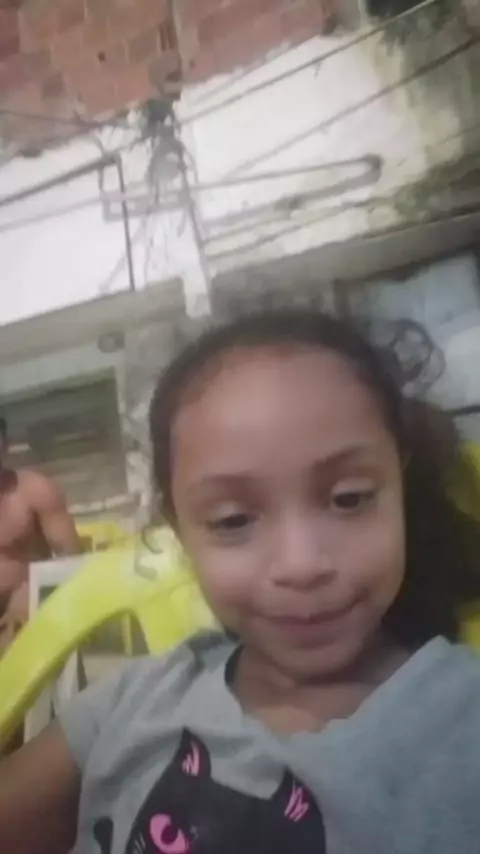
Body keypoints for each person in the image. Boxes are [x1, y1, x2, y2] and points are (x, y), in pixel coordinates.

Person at [2, 307, 480, 853]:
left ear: (400, 485)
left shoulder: (462, 729)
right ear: (180, 532)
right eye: (233, 520)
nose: (301, 564)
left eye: (349, 498)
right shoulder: (136, 700)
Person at [0, 417, 81, 653]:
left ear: (5, 445)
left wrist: (34, 589)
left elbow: (74, 561)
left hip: (29, 611)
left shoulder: (35, 491)